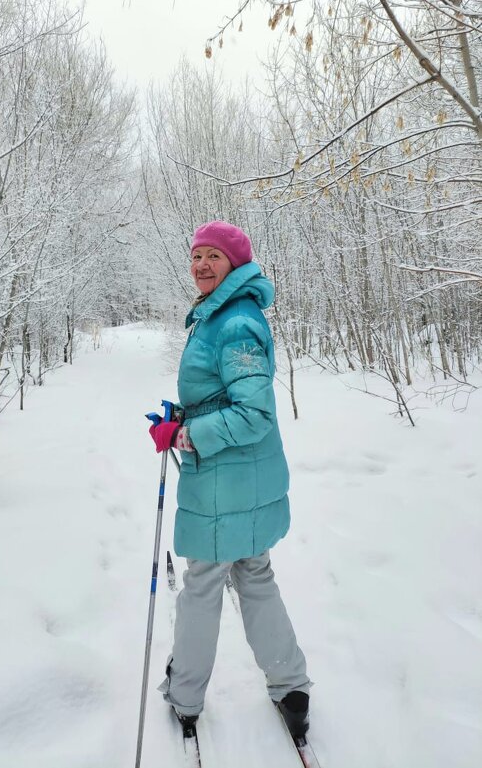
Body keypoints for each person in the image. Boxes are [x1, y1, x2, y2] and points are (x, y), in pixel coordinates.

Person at [148, 220, 311, 739]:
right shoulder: (221, 314)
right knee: (254, 576)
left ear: (236, 263)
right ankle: (291, 688)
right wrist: (189, 411)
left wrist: (184, 435)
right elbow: (229, 394)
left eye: (213, 256)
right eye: (196, 256)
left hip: (225, 481)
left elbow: (254, 414)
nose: (200, 265)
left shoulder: (235, 321)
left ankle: (185, 696)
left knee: (202, 585)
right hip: (244, 480)